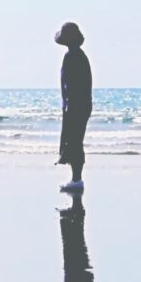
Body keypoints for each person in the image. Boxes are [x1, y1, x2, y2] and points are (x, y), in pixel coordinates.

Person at [55, 22, 92, 192]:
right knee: (75, 141)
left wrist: (70, 105)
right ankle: (76, 178)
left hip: (76, 105)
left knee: (75, 142)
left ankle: (77, 180)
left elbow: (74, 85)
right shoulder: (76, 55)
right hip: (78, 105)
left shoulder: (73, 56)